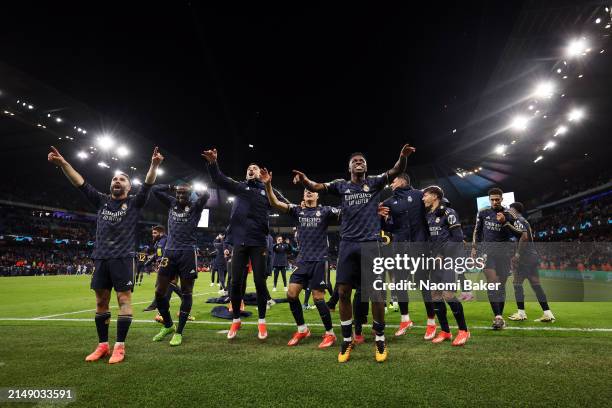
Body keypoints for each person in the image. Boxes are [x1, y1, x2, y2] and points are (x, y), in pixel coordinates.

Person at [292, 144, 414, 363]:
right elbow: (317, 186)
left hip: (371, 244)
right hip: (347, 244)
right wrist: (304, 181)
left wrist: (402, 157)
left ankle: (379, 338)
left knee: (375, 295)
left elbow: (395, 171)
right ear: (349, 167)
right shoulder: (341, 186)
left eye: (362, 161)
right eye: (355, 161)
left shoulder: (375, 182)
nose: (359, 162)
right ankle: (347, 339)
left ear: (366, 167)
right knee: (343, 293)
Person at [48, 145, 163, 364]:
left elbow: (148, 183)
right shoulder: (101, 200)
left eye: (122, 179)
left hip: (123, 257)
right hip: (101, 257)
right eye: (114, 179)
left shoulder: (134, 203)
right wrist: (63, 164)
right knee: (101, 301)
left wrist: (154, 164)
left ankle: (119, 346)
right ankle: (102, 345)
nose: (117, 181)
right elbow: (79, 182)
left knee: (123, 300)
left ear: (129, 186)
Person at [201, 148, 287, 340]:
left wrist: (270, 186)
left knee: (259, 282)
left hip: (258, 241)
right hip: (239, 241)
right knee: (236, 282)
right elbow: (220, 179)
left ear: (261, 173)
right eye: (249, 168)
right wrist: (213, 164)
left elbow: (285, 206)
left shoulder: (268, 190)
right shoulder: (239, 187)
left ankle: (262, 323)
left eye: (255, 168)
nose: (251, 169)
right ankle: (236, 320)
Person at [261, 169, 339, 348]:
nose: (308, 192)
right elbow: (275, 203)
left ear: (317, 195)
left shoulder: (326, 211)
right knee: (291, 294)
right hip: (302, 261)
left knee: (318, 298)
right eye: (305, 191)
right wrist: (267, 184)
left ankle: (330, 333)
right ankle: (302, 329)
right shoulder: (297, 211)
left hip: (320, 260)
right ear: (303, 196)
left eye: (311, 190)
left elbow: (348, 212)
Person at [150, 183, 210, 346]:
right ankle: (168, 325)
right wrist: (171, 186)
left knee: (186, 292)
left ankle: (179, 332)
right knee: (159, 291)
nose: (180, 196)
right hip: (169, 252)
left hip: (187, 252)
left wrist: (195, 190)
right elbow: (154, 190)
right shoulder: (171, 202)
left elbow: (206, 196)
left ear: (189, 195)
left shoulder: (195, 207)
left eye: (184, 194)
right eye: (178, 194)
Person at [377, 173, 435, 339]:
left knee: (423, 284)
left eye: (393, 181)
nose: (391, 184)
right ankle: (405, 320)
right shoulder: (388, 202)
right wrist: (381, 218)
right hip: (400, 247)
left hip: (420, 245)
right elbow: (388, 227)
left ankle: (431, 322)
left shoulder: (420, 195)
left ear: (403, 180)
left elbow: (435, 207)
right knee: (399, 283)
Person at [422, 186, 470, 346]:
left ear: (435, 196)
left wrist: (442, 254)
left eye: (425, 195)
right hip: (434, 262)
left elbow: (457, 238)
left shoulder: (449, 213)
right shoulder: (428, 215)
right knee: (435, 295)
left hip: (448, 259)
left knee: (448, 295)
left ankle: (464, 331)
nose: (423, 198)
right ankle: (445, 331)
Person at [471, 187, 524, 330]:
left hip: (505, 253)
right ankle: (498, 317)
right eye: (492, 199)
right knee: (492, 283)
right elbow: (477, 230)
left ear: (502, 199)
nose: (494, 202)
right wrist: (474, 247)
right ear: (489, 200)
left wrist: (504, 222)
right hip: (487, 252)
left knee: (501, 285)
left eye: (497, 199)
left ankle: (499, 315)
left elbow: (520, 234)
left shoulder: (510, 214)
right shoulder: (483, 212)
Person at [507, 202, 555, 323]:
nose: (508, 211)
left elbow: (524, 237)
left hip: (525, 258)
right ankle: (548, 313)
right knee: (536, 284)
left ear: (514, 210)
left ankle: (521, 313)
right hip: (533, 256)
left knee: (517, 283)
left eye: (510, 209)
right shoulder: (525, 221)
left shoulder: (518, 220)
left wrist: (517, 254)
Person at [142, 225, 183, 313]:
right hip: (164, 265)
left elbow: (167, 254)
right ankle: (185, 298)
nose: (153, 234)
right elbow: (158, 255)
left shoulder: (166, 240)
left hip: (167, 266)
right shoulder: (158, 242)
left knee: (160, 286)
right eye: (152, 233)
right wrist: (148, 262)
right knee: (171, 285)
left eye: (155, 233)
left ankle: (155, 305)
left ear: (161, 233)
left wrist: (162, 264)